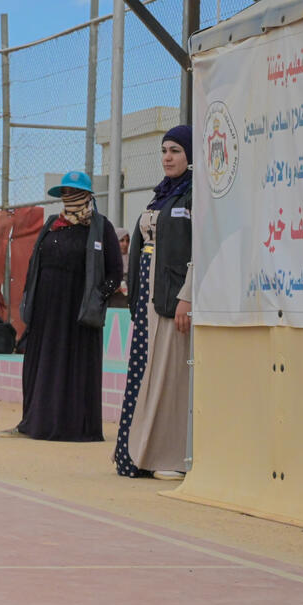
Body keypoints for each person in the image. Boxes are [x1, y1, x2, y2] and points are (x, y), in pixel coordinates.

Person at [0, 171, 122, 442]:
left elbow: (115, 271)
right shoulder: (53, 224)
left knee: (74, 365)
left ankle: (73, 426)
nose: (69, 198)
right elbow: (36, 263)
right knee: (40, 364)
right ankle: (34, 422)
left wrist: (97, 297)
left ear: (87, 195)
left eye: (74, 192)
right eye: (65, 192)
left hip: (78, 314)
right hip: (46, 311)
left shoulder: (101, 227)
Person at [113, 125, 194, 481]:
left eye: (175, 150)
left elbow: (201, 251)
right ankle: (137, 454)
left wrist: (187, 296)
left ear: (191, 156)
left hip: (172, 302)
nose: (167, 157)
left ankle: (170, 455)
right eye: (164, 150)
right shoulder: (159, 197)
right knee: (144, 376)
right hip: (147, 302)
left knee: (170, 378)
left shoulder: (195, 197)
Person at [108, 227, 131, 309]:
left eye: (128, 240)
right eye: (122, 240)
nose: (125, 244)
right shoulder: (108, 260)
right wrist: (114, 287)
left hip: (128, 303)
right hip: (112, 303)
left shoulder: (132, 259)